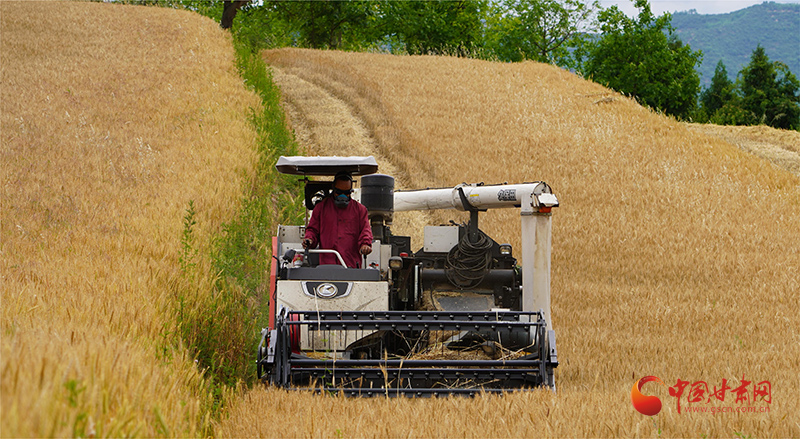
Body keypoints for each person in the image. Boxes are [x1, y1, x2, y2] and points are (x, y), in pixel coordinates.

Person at [302, 171, 372, 268]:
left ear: (351, 192)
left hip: (350, 265)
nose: (342, 196)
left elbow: (365, 230)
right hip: (327, 266)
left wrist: (365, 245)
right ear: (333, 190)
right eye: (339, 192)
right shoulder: (321, 208)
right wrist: (309, 240)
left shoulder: (360, 210)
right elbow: (313, 230)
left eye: (346, 193)